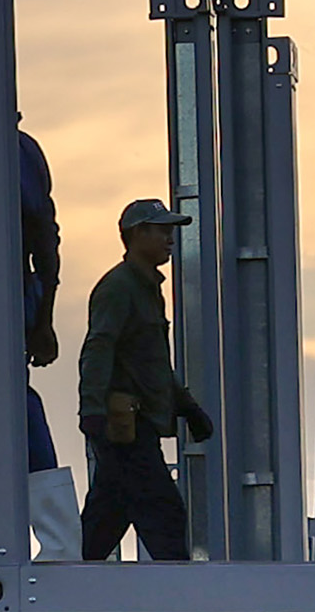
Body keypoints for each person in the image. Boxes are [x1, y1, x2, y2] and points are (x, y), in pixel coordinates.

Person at [77, 200, 215, 561]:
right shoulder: (119, 287)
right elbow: (98, 348)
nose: (170, 238)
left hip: (138, 426)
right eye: (161, 230)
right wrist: (92, 410)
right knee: (163, 511)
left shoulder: (147, 288)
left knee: (108, 513)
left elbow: (152, 361)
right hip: (124, 429)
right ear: (137, 234)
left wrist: (188, 408)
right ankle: (181, 601)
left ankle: (69, 588)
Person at [18, 123, 60, 473]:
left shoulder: (16, 151)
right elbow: (44, 238)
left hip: (8, 302)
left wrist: (44, 321)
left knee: (19, 405)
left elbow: (44, 237)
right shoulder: (19, 151)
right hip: (12, 302)